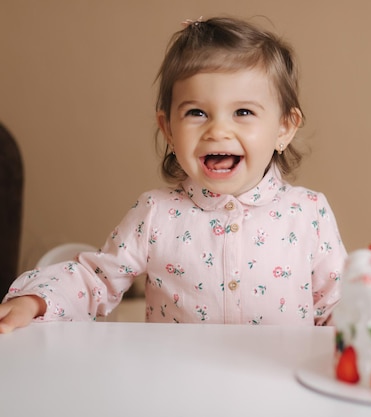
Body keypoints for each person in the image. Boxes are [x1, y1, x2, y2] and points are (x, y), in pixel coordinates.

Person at [0, 16, 346, 333]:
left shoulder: (308, 213)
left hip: (278, 387)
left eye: (243, 111)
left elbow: (339, 306)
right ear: (168, 128)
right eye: (197, 112)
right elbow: (95, 279)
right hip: (174, 385)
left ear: (284, 128)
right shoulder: (156, 214)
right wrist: (35, 301)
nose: (218, 130)